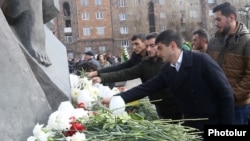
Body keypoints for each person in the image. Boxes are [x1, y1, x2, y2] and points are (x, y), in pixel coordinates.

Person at [102, 29, 234, 131]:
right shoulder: (167, 69)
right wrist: (117, 98)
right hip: (191, 126)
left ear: (172, 45)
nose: (157, 53)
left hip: (213, 122)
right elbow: (146, 87)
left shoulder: (201, 61)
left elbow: (226, 93)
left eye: (160, 48)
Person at [92, 32, 182, 119]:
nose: (149, 49)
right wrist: (102, 77)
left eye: (153, 46)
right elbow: (127, 73)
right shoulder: (144, 63)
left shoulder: (169, 63)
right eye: (147, 46)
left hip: (177, 105)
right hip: (159, 104)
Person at [207, 2, 250, 125]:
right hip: (216, 102)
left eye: (218, 19)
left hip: (238, 106)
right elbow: (208, 68)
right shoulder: (213, 41)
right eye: (214, 20)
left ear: (231, 17)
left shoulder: (247, 42)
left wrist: (231, 95)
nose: (215, 23)